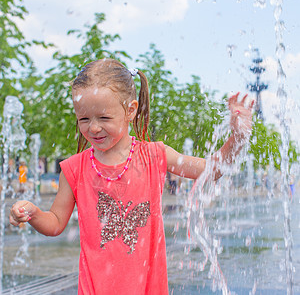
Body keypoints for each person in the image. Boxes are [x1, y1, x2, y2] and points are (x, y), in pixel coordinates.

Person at [10, 59, 254, 294]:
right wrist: (34, 213)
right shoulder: (74, 169)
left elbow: (213, 170)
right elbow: (55, 223)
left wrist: (237, 138)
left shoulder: (155, 156)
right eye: (84, 119)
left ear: (130, 110)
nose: (93, 127)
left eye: (104, 118)